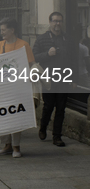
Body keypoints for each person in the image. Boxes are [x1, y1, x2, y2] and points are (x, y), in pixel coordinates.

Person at [33, 12, 77, 148]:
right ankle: (43, 127)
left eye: (60, 21)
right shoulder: (41, 39)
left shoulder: (68, 39)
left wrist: (73, 78)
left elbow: (73, 60)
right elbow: (34, 57)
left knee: (61, 109)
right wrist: (47, 54)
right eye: (55, 21)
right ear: (50, 22)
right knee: (48, 106)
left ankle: (57, 136)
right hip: (48, 79)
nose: (57, 24)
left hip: (63, 78)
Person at [0, 17, 35, 157]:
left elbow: (29, 65)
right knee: (2, 115)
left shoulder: (24, 45)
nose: (2, 32)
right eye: (1, 30)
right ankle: (6, 145)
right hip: (2, 88)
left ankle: (16, 147)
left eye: (4, 30)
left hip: (18, 88)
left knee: (16, 115)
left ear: (12, 30)